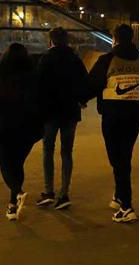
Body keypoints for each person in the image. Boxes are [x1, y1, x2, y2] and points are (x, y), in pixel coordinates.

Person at [84, 24, 139, 223]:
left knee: (117, 159)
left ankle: (127, 206)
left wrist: (79, 100)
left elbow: (91, 85)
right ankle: (118, 195)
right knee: (124, 157)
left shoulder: (107, 61)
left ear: (115, 39)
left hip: (112, 117)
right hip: (133, 118)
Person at [36, 27, 88, 210]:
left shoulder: (45, 59)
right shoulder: (75, 60)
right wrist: (82, 100)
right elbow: (85, 83)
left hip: (50, 113)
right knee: (67, 152)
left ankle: (48, 191)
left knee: (47, 149)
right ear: (67, 41)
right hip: (70, 113)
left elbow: (38, 86)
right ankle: (64, 194)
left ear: (51, 41)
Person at [0, 43, 43, 221]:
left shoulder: (2, 76)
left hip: (4, 127)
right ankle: (12, 204)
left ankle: (17, 192)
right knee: (17, 162)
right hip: (28, 129)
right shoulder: (33, 77)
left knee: (5, 163)